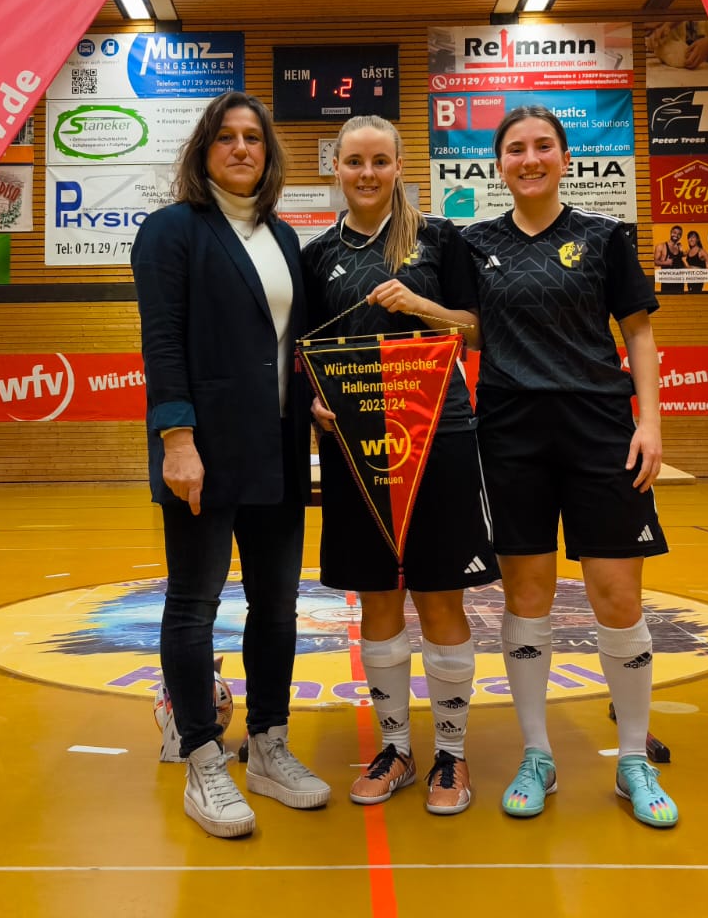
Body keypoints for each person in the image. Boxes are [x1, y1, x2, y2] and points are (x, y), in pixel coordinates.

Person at [461, 104, 677, 829]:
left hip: (600, 433)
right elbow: (463, 332)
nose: (530, 159)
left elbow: (638, 333)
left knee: (617, 598)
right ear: (499, 163)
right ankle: (537, 754)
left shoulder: (604, 236)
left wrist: (649, 422)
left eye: (543, 146)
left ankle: (633, 759)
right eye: (516, 149)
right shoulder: (475, 245)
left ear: (564, 157)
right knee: (526, 596)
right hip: (510, 435)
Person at [131, 90, 330, 839]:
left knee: (277, 606)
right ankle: (202, 757)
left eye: (253, 137)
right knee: (195, 605)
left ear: (268, 153)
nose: (242, 148)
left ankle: (269, 745)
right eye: (226, 137)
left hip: (278, 448)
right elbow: (163, 343)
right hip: (205, 452)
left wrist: (318, 403)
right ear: (203, 151)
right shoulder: (171, 231)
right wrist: (176, 439)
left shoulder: (282, 236)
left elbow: (290, 347)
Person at [300, 114, 498, 817]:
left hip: (440, 435)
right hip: (357, 448)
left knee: (441, 596)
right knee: (378, 597)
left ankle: (451, 753)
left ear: (398, 166)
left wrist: (419, 304)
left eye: (379, 161)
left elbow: (479, 328)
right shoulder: (317, 255)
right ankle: (394, 748)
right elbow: (305, 352)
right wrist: (315, 401)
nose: (367, 173)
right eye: (354, 161)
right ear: (336, 166)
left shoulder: (440, 239)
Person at [653, 224, 686, 294]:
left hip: (679, 282)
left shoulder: (679, 247)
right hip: (667, 282)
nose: (676, 235)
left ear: (680, 236)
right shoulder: (661, 246)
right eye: (674, 232)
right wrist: (666, 263)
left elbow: (683, 261)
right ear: (671, 233)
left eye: (679, 234)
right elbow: (655, 262)